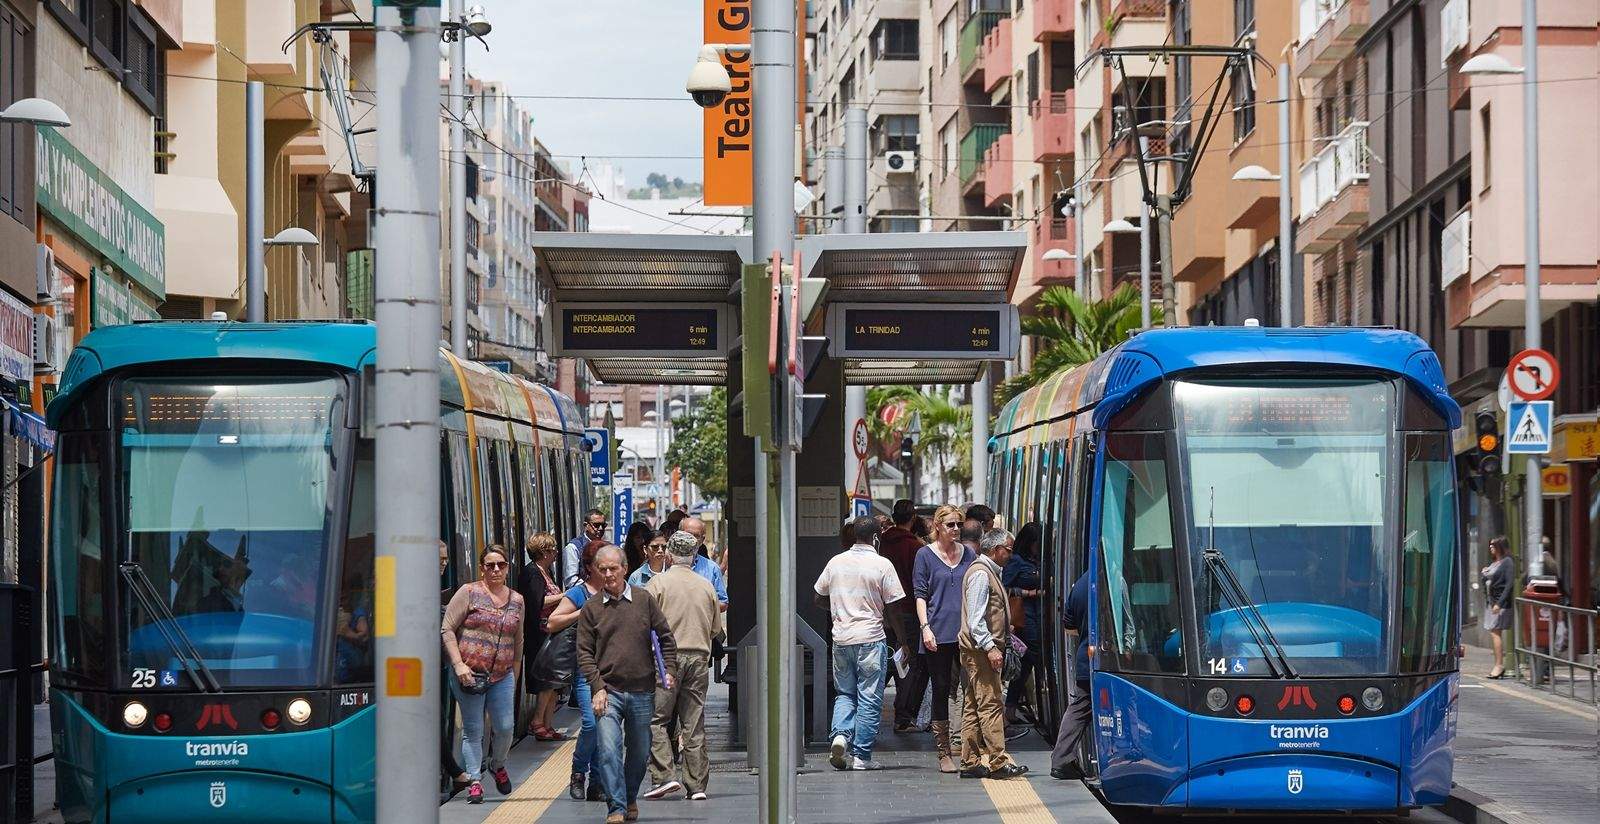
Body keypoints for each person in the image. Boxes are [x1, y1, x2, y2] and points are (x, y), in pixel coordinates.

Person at [577, 545, 677, 824]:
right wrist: (596, 686)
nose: (608, 574)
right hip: (608, 692)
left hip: (642, 691)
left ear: (624, 569)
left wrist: (669, 669)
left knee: (640, 751)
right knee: (608, 750)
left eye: (613, 568)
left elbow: (666, 638)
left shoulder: (644, 600)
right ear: (596, 571)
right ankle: (616, 807)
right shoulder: (591, 608)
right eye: (602, 569)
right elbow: (584, 653)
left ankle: (630, 795)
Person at [815, 515, 905, 770]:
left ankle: (841, 736)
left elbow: (818, 597)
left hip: (841, 639)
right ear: (876, 537)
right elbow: (895, 607)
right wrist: (903, 642)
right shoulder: (882, 564)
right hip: (870, 639)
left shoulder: (836, 562)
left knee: (845, 693)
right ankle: (862, 757)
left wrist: (838, 608)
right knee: (869, 697)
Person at [441, 546, 527, 803]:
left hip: (502, 676)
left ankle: (497, 764)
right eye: (490, 565)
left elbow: (519, 641)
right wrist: (458, 665)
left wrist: (515, 673)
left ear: (507, 567)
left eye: (500, 564)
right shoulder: (468, 593)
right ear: (482, 568)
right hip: (468, 675)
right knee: (473, 729)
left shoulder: (517, 600)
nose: (496, 569)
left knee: (505, 727)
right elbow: (447, 629)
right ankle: (475, 781)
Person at [641, 531, 723, 800]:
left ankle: (664, 775)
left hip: (667, 660)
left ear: (669, 554)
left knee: (657, 720)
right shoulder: (706, 586)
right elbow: (714, 629)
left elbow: (645, 625)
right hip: (699, 658)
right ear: (694, 555)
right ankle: (697, 785)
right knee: (694, 722)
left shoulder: (657, 584)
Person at [957, 529, 1026, 779]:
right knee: (991, 705)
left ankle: (970, 761)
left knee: (974, 706)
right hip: (980, 652)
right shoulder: (981, 574)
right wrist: (990, 647)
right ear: (995, 550)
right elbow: (976, 620)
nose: (1010, 554)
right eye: (1008, 550)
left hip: (978, 651)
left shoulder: (987, 572)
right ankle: (998, 762)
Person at [913, 504, 976, 773]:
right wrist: (925, 627)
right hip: (937, 633)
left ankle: (970, 747)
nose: (956, 529)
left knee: (971, 689)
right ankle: (944, 752)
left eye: (959, 525)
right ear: (937, 526)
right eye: (950, 524)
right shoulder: (924, 555)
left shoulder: (969, 554)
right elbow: (920, 595)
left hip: (966, 632)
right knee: (940, 690)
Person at [547, 541, 607, 802]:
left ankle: (597, 781)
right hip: (585, 671)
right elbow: (552, 623)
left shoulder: (619, 591)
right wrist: (581, 613)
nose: (608, 572)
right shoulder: (578, 593)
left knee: (605, 728)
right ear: (589, 567)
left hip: (613, 672)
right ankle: (578, 771)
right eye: (601, 566)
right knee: (592, 725)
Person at [879, 499, 928, 732]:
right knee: (907, 663)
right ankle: (903, 715)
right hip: (908, 610)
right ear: (913, 518)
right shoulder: (915, 547)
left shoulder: (882, 543)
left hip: (884, 611)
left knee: (886, 661)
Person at [519, 532, 568, 740]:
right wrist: (565, 595)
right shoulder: (532, 573)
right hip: (539, 635)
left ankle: (548, 724)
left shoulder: (545, 571)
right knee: (547, 681)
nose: (557, 552)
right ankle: (538, 721)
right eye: (553, 549)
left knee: (554, 682)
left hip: (551, 633)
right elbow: (536, 602)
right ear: (544, 552)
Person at [1050, 570, 1092, 780]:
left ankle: (1061, 759)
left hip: (1086, 658)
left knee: (1078, 710)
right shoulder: (1113, 579)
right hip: (1110, 660)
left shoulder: (1079, 584)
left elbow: (1069, 627)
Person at [1003, 522, 1043, 729]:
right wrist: (1029, 593)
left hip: (1040, 616)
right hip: (1024, 618)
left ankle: (1011, 706)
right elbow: (1004, 588)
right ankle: (1010, 705)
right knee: (1029, 658)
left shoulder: (1038, 560)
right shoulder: (1016, 561)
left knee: (1029, 660)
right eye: (1036, 543)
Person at [676, 517, 729, 611]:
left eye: (696, 535)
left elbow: (723, 603)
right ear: (678, 535)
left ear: (702, 539)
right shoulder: (665, 565)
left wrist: (700, 606)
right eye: (687, 534)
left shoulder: (712, 569)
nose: (691, 539)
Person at [1481, 536, 1513, 679]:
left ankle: (1499, 665)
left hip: (1499, 605)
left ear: (1500, 546)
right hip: (1491, 603)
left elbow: (1509, 584)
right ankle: (1498, 664)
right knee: (1494, 632)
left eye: (1493, 545)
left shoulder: (1507, 562)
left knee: (1496, 633)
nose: (1490, 547)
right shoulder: (1495, 563)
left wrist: (1499, 603)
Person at [566, 509, 608, 586]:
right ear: (586, 525)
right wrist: (592, 589)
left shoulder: (607, 547)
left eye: (604, 525)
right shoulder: (573, 547)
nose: (601, 528)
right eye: (596, 525)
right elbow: (571, 580)